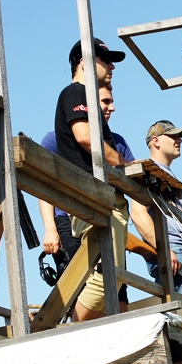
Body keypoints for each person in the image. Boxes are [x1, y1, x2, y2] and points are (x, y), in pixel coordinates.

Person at [38, 83, 132, 312]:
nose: (111, 108)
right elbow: (44, 188)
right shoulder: (55, 140)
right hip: (69, 218)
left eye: (111, 101)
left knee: (118, 290)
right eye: (105, 102)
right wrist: (50, 229)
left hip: (108, 217)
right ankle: (77, 334)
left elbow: (135, 187)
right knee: (83, 285)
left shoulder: (117, 143)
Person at [54, 37, 128, 321]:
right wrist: (124, 165)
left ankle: (76, 328)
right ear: (84, 62)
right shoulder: (76, 92)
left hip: (99, 197)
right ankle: (71, 329)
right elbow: (85, 138)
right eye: (105, 60)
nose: (112, 67)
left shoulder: (85, 96)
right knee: (108, 274)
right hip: (92, 197)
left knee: (110, 276)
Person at [130, 121, 182, 294]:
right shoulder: (147, 170)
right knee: (180, 315)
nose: (179, 140)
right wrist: (164, 250)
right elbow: (138, 214)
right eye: (173, 136)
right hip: (173, 249)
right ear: (156, 141)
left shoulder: (167, 173)